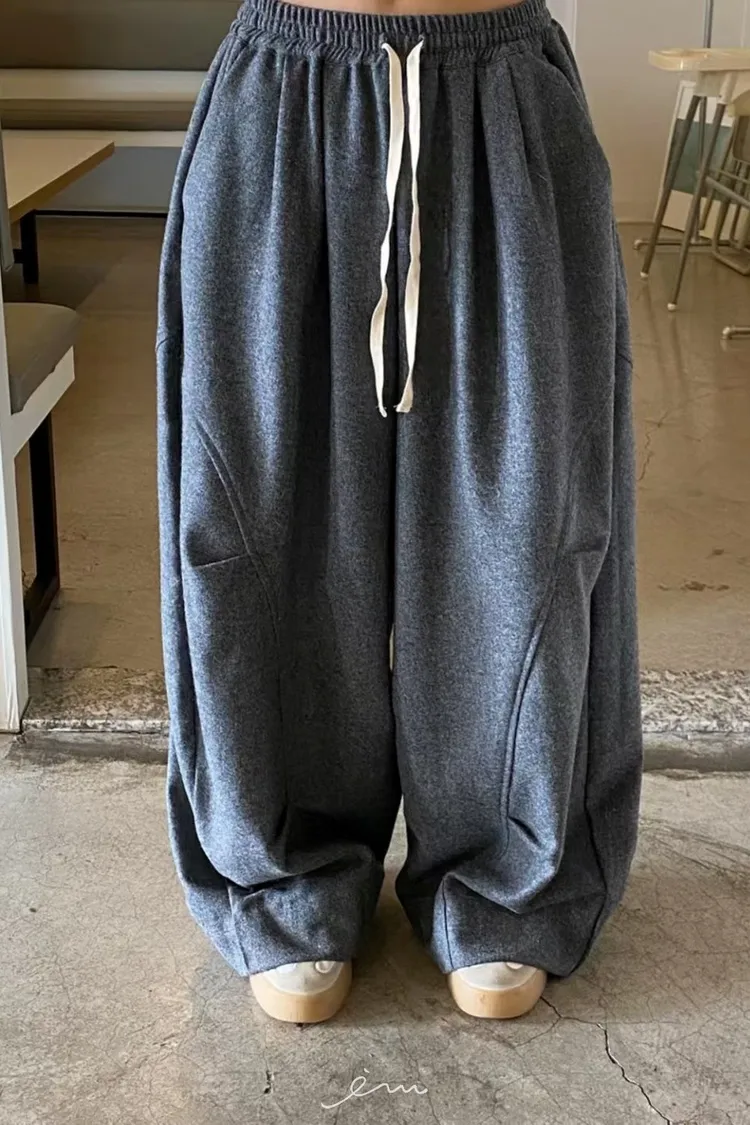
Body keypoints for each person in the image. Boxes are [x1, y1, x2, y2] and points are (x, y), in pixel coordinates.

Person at [157, 0, 642, 1024]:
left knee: (531, 525)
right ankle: (286, 872)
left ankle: (507, 873)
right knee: (254, 527)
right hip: (282, 98)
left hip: (502, 99)